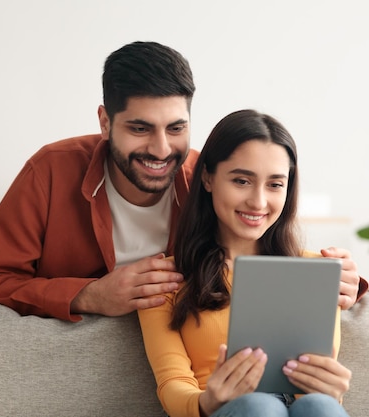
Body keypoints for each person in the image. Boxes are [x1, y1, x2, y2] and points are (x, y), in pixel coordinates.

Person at [0, 41, 367, 322]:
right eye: (140, 128)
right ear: (105, 122)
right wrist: (89, 295)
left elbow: (261, 256)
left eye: (176, 128)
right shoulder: (50, 170)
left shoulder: (205, 178)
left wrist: (343, 281)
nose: (160, 148)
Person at [138, 109, 352, 417]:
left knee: (320, 405)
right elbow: (172, 384)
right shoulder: (165, 280)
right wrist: (209, 400)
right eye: (242, 180)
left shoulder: (319, 271)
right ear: (208, 178)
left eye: (275, 184)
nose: (258, 201)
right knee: (259, 406)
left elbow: (318, 381)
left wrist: (330, 390)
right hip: (223, 411)